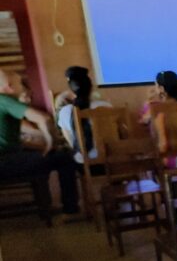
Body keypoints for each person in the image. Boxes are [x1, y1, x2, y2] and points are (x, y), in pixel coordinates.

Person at [0, 68, 79, 214]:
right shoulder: (4, 100)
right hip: (5, 163)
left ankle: (46, 204)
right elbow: (44, 118)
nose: (23, 88)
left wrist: (41, 147)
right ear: (9, 87)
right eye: (20, 84)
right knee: (65, 159)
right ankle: (70, 208)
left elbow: (11, 141)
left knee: (45, 157)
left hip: (7, 158)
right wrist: (50, 143)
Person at [56, 67, 111, 164]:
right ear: (91, 87)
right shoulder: (106, 106)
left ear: (71, 90)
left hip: (82, 161)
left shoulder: (65, 112)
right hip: (110, 159)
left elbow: (71, 143)